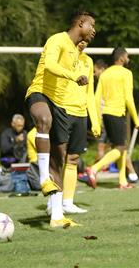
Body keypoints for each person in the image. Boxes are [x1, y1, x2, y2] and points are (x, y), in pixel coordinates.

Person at [25, 10, 96, 228]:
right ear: (81, 23)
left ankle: (57, 216)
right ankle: (43, 178)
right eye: (92, 25)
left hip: (60, 106)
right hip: (40, 93)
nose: (94, 30)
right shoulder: (58, 39)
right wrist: (74, 76)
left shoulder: (77, 53)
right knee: (43, 119)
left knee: (59, 157)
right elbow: (50, 66)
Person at [85, 47, 139, 189]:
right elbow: (129, 98)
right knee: (121, 148)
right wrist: (136, 119)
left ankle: (122, 181)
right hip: (117, 114)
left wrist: (97, 120)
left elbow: (97, 99)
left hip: (106, 115)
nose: (128, 59)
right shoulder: (127, 73)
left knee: (120, 147)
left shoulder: (105, 74)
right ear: (122, 58)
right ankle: (94, 169)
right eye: (127, 56)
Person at [56, 40, 100, 214]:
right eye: (81, 39)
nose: (84, 43)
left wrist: (94, 120)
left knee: (73, 159)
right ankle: (54, 201)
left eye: (87, 41)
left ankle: (68, 202)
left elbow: (89, 93)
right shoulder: (62, 56)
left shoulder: (88, 62)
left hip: (81, 115)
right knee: (58, 159)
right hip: (62, 111)